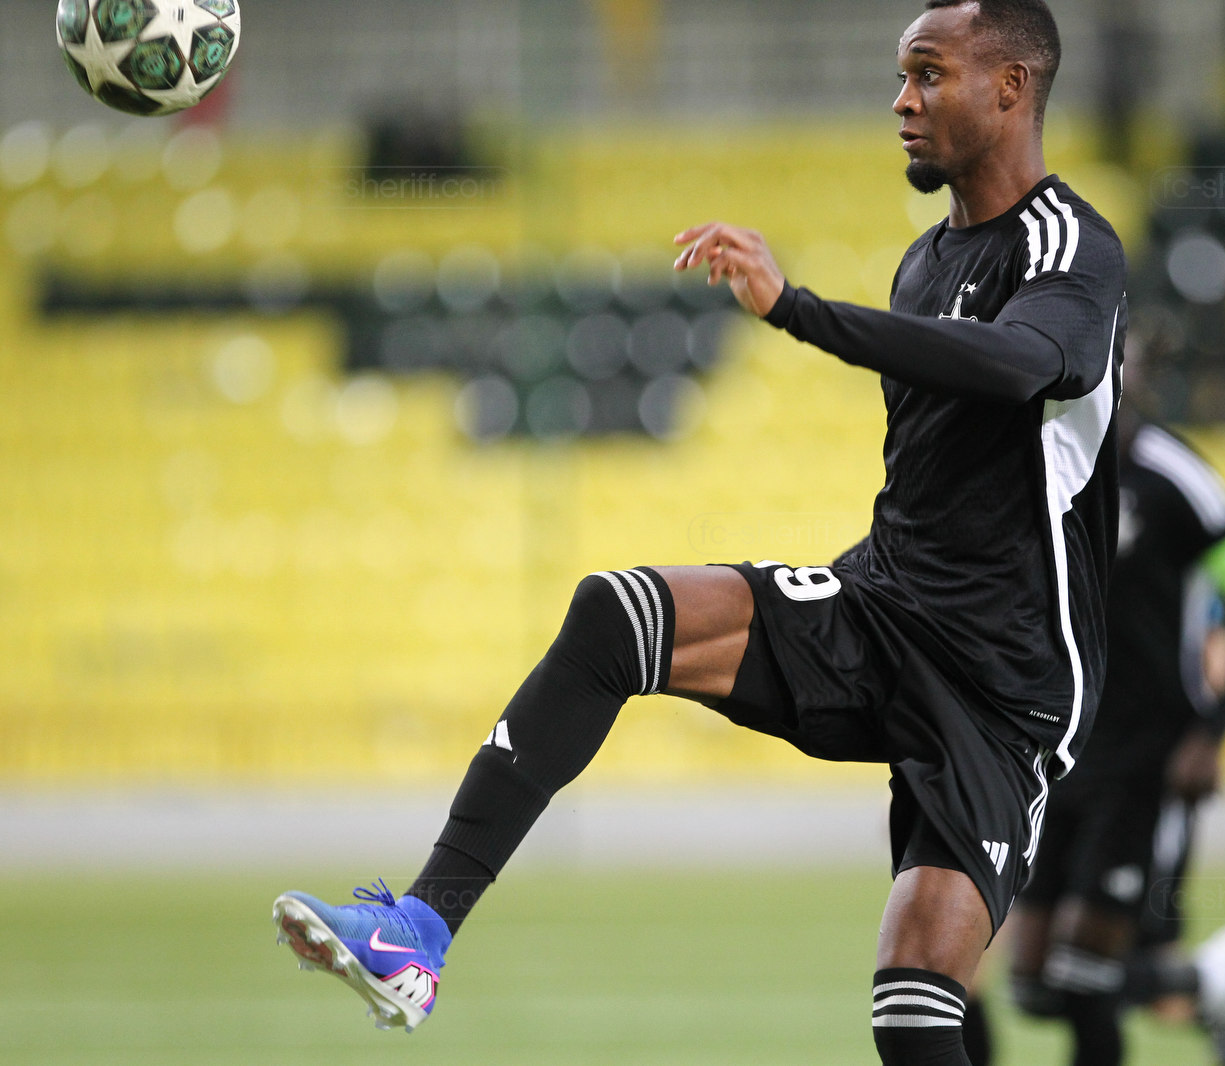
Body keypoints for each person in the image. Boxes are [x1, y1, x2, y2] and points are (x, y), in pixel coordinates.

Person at [272, 3, 1126, 1063]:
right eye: (902, 77)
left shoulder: (1069, 245)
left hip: (1005, 684)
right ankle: (419, 932)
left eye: (927, 74)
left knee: (913, 1012)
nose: (901, 101)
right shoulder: (925, 263)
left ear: (1010, 87)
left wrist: (798, 310)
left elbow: (1020, 364)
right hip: (889, 609)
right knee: (616, 615)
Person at [1004, 409, 1225, 1066]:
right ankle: (1212, 983)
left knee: (1085, 979)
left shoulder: (1179, 480)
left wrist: (1211, 735)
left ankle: (1203, 983)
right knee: (1034, 987)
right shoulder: (1036, 461)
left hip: (1147, 758)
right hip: (1059, 750)